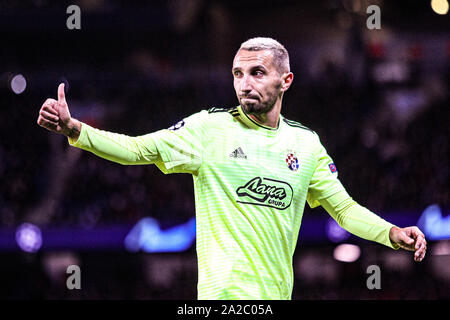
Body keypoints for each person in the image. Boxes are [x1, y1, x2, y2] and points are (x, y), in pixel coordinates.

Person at [37, 37, 427, 300]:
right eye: (238, 74)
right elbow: (139, 149)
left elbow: (344, 210)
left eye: (257, 72)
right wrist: (77, 130)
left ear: (285, 80)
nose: (244, 84)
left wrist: (391, 233)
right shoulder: (209, 129)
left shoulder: (306, 144)